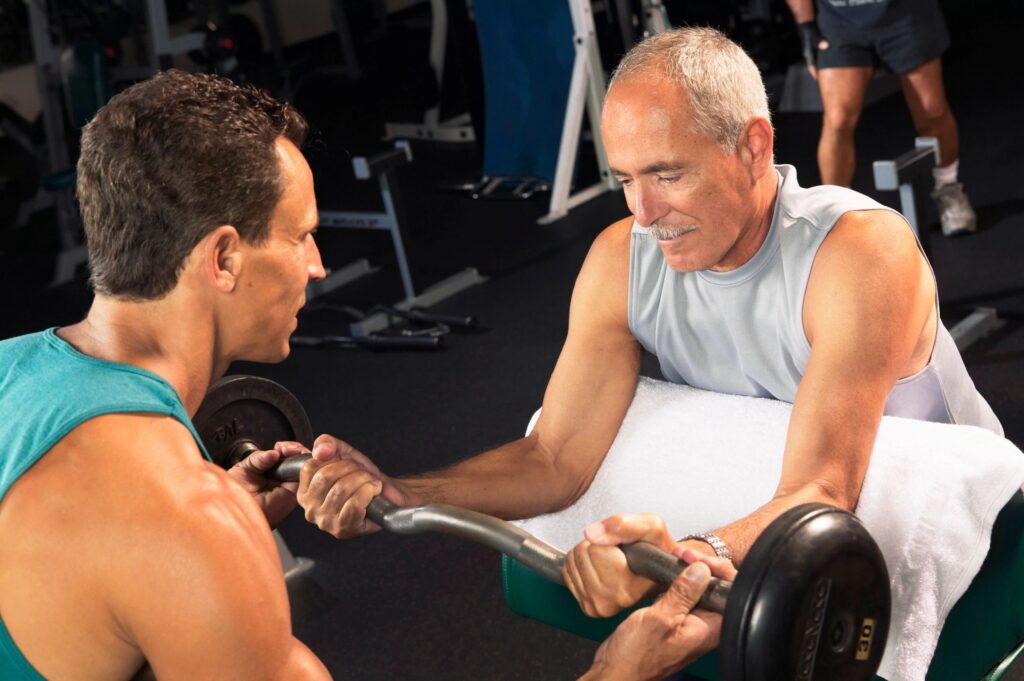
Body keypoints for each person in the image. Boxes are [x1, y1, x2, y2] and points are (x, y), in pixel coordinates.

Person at [0, 69, 720, 681]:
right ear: (222, 258)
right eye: (302, 235)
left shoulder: (11, 371)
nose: (317, 266)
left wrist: (199, 540)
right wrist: (613, 673)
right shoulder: (186, 521)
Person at [305, 25, 1001, 629]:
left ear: (754, 147)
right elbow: (555, 457)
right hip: (792, 536)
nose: (644, 212)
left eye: (667, 174)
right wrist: (402, 491)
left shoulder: (856, 254)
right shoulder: (623, 260)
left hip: (964, 540)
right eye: (626, 179)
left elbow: (821, 489)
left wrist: (679, 559)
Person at [785, 0, 977, 236]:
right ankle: (834, 214)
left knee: (931, 110)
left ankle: (948, 187)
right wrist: (805, 25)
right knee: (838, 121)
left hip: (903, 14)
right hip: (839, 20)